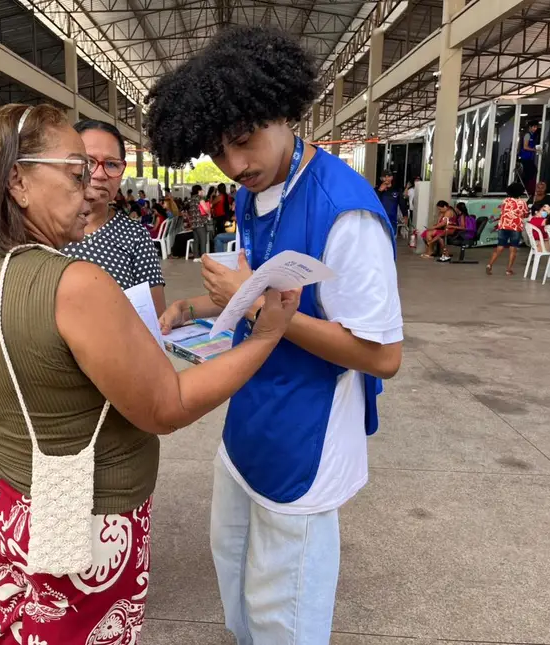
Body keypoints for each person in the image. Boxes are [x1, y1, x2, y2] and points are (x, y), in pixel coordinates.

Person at [0, 103, 299, 645]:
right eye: (75, 171)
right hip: (87, 513)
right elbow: (167, 407)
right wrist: (265, 337)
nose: (89, 187)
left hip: (7, 501)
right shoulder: (74, 283)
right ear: (17, 181)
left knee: (20, 628)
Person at [145, 26, 403, 645]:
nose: (236, 166)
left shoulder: (345, 210)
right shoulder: (251, 195)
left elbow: (383, 356)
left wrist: (262, 305)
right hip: (250, 413)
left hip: (308, 431)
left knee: (284, 601)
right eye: (219, 152)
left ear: (284, 111)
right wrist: (195, 306)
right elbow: (260, 295)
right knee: (234, 565)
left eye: (244, 141)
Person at [62, 120, 167, 316]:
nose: (100, 174)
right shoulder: (43, 230)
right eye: (89, 162)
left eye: (111, 164)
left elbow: (156, 319)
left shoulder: (135, 236)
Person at [487, 182, 529, 276]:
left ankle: (489, 265)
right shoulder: (522, 203)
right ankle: (508, 269)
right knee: (513, 249)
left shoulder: (505, 201)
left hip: (503, 226)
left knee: (500, 246)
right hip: (515, 227)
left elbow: (503, 212)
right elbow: (525, 214)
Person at [519, 121, 540, 196]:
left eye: (536, 127)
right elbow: (525, 147)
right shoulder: (527, 135)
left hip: (529, 158)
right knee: (531, 172)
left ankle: (525, 189)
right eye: (534, 127)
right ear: (530, 127)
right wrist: (535, 150)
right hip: (525, 157)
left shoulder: (533, 135)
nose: (535, 128)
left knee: (530, 173)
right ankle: (524, 189)